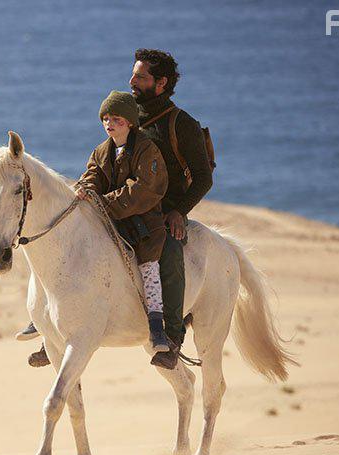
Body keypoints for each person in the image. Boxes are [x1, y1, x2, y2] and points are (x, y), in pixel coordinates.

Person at [26, 90, 173, 368]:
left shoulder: (146, 150)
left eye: (116, 118)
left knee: (149, 267)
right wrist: (86, 190)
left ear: (129, 122)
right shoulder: (102, 150)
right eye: (105, 118)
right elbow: (93, 174)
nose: (109, 123)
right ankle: (48, 325)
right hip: (107, 219)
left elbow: (143, 189)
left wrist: (103, 203)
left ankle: (156, 324)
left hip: (142, 224)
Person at [130, 49, 213, 368]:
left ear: (161, 83)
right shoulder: (127, 113)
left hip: (164, 212)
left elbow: (204, 178)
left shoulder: (182, 124)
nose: (132, 81)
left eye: (141, 76)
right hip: (126, 202)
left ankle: (173, 338)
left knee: (171, 255)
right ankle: (47, 326)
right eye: (134, 74)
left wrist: (179, 212)